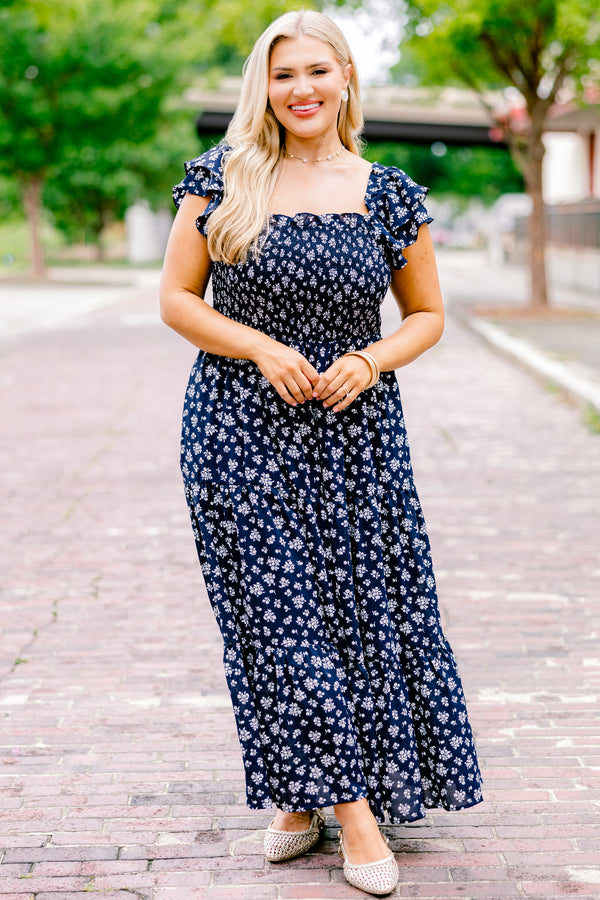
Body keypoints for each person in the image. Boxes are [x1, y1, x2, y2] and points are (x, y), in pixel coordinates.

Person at [160, 9, 483, 895]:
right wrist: (260, 347)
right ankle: (355, 817)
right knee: (278, 619)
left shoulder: (388, 192)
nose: (300, 89)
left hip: (355, 432)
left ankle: (301, 796)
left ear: (346, 78)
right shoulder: (220, 178)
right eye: (282, 73)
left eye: (316, 71)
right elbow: (178, 301)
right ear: (262, 86)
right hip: (236, 426)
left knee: (353, 613)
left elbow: (427, 316)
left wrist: (368, 360)